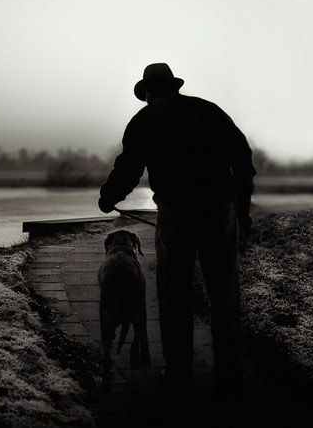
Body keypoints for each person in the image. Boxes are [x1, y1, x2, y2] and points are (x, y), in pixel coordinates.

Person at [98, 63, 255, 393]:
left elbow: (128, 169)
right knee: (224, 293)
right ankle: (230, 373)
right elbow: (243, 158)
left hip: (176, 213)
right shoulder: (209, 111)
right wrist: (242, 211)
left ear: (149, 92)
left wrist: (108, 197)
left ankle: (179, 372)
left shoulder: (145, 120)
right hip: (220, 209)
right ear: (174, 86)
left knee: (174, 295)